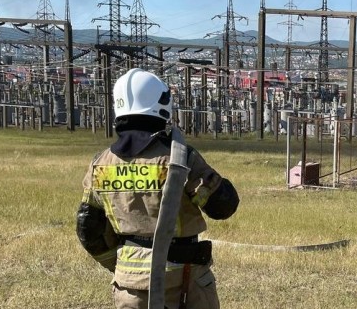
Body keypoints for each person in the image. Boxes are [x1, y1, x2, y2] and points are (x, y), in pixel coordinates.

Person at [76, 68, 239, 309]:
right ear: (160, 105)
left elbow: (88, 228)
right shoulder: (179, 157)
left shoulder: (100, 164)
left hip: (130, 285)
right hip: (185, 281)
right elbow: (222, 207)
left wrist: (121, 263)